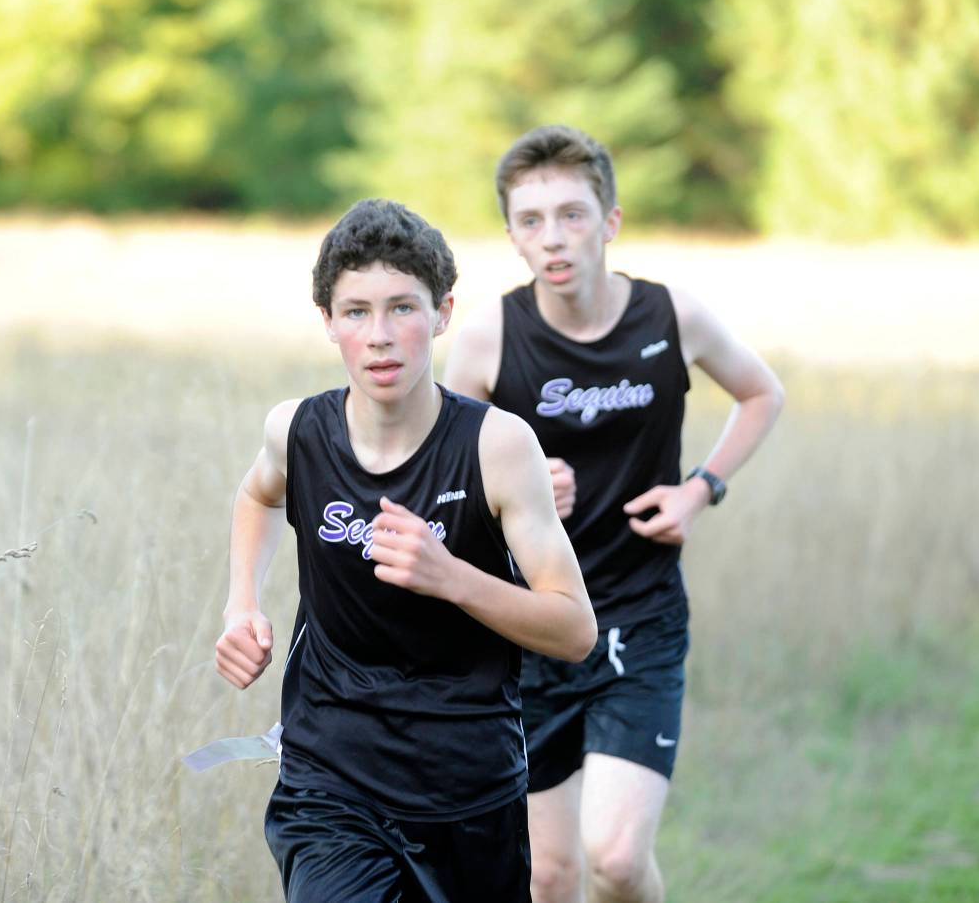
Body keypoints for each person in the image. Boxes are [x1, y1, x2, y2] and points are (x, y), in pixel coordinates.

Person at [214, 198, 596, 903]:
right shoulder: (295, 432)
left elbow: (574, 629)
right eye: (356, 312)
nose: (380, 336)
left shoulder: (499, 447)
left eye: (403, 308)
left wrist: (452, 577)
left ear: (444, 311)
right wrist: (242, 606)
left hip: (469, 789)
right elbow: (258, 497)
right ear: (328, 321)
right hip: (329, 779)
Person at [443, 125, 785, 903]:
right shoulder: (490, 338)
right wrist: (518, 492)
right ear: (512, 237)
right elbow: (446, 481)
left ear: (611, 221)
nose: (554, 238)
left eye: (572, 214)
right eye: (531, 222)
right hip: (533, 628)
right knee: (552, 875)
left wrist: (700, 489)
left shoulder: (672, 317)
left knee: (619, 860)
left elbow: (764, 393)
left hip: (641, 616)